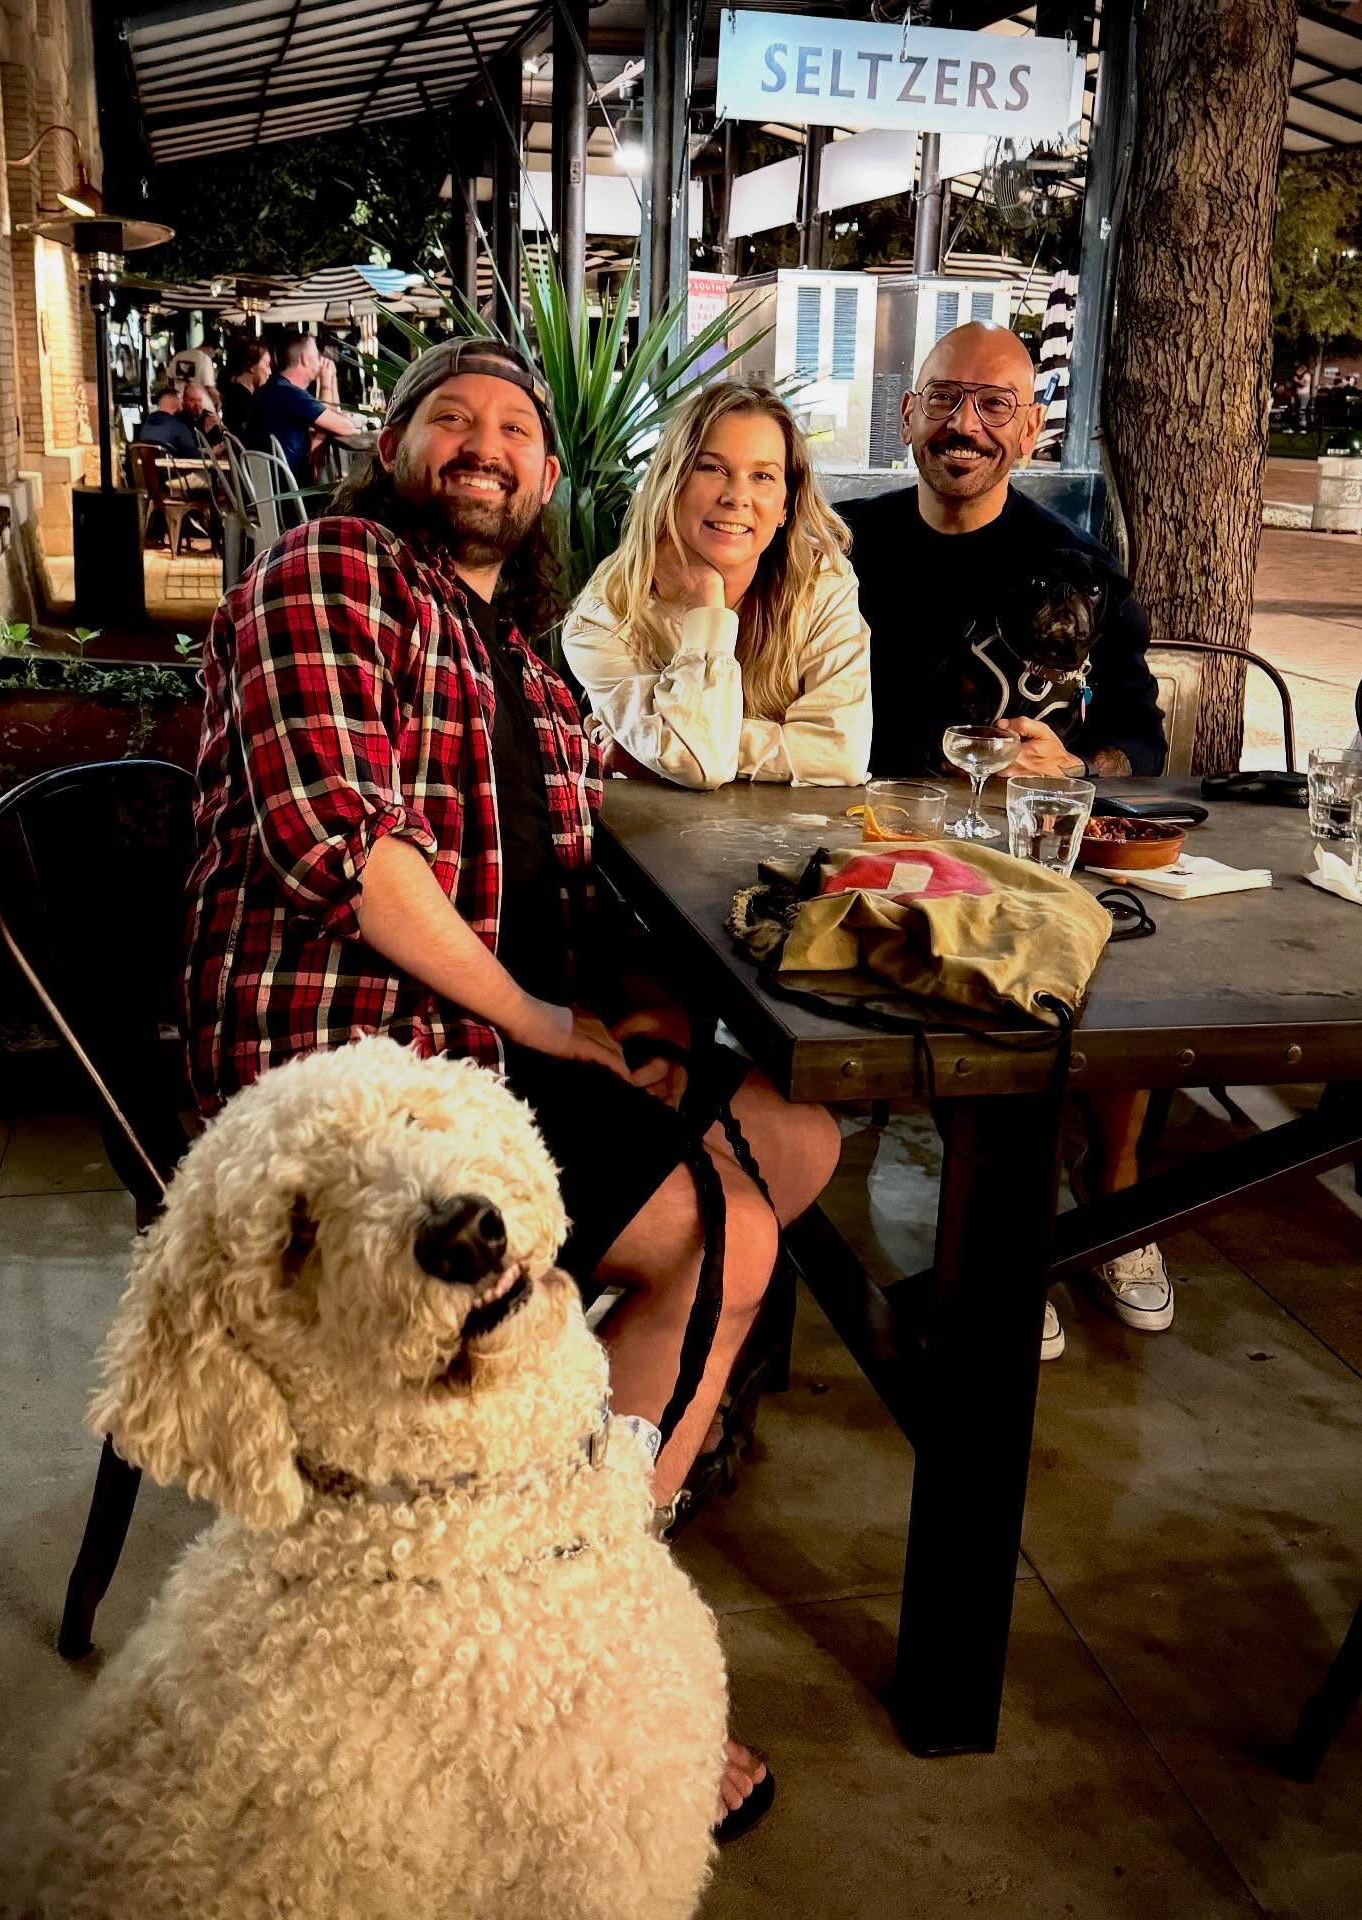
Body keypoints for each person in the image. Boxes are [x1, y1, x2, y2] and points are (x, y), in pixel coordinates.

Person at [182, 337, 839, 1836]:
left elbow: (578, 884)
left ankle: (557, 1456)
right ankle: (572, 1625)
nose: (486, 444)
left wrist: (638, 1017)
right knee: (716, 1237)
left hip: (483, 1061)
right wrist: (547, 1022)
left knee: (791, 1140)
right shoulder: (331, 574)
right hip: (349, 1083)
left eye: (516, 430)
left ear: (547, 480)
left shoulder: (526, 658)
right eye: (450, 419)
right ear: (390, 449)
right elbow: (348, 853)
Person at [838, 321, 1171, 1360]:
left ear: (1029, 430)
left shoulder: (1076, 569)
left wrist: (1071, 767)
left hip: (1026, 853)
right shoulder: (839, 547)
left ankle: (1109, 1196)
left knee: (1131, 955)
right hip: (867, 840)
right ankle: (990, 1236)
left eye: (992, 405)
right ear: (907, 417)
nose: (963, 424)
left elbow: (1138, 748)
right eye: (943, 398)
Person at [562, 378, 871, 789]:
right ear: (672, 484)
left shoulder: (821, 585)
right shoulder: (603, 618)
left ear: (785, 505)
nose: (736, 496)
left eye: (762, 476)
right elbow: (700, 763)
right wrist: (708, 602)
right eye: (712, 468)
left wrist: (662, 748)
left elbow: (843, 754)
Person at [244, 331, 354, 485]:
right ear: (304, 359)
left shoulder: (273, 389)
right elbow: (347, 427)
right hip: (292, 496)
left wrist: (322, 432)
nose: (321, 359)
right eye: (316, 354)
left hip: (266, 492)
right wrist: (326, 382)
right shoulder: (289, 394)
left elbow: (330, 418)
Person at [220, 336, 271, 438]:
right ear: (251, 366)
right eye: (267, 365)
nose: (269, 372)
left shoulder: (231, 392)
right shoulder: (242, 400)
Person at [136, 384, 199, 459]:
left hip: (148, 470)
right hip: (171, 469)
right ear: (172, 400)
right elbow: (192, 454)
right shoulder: (178, 426)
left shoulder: (145, 426)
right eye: (179, 399)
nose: (181, 402)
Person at [164, 332, 222, 411]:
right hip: (197, 407)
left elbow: (170, 380)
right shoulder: (204, 359)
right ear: (210, 347)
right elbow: (209, 387)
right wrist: (218, 401)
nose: (214, 355)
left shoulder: (179, 356)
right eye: (215, 352)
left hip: (178, 404)